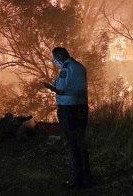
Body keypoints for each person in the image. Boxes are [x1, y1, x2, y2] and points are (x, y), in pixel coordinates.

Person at [42, 47, 91, 188]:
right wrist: (54, 84)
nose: (55, 60)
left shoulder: (66, 68)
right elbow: (71, 86)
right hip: (81, 108)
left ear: (59, 55)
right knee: (81, 142)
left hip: (70, 110)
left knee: (74, 144)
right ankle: (86, 176)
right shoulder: (78, 66)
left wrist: (50, 87)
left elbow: (62, 90)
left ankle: (78, 180)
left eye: (54, 57)